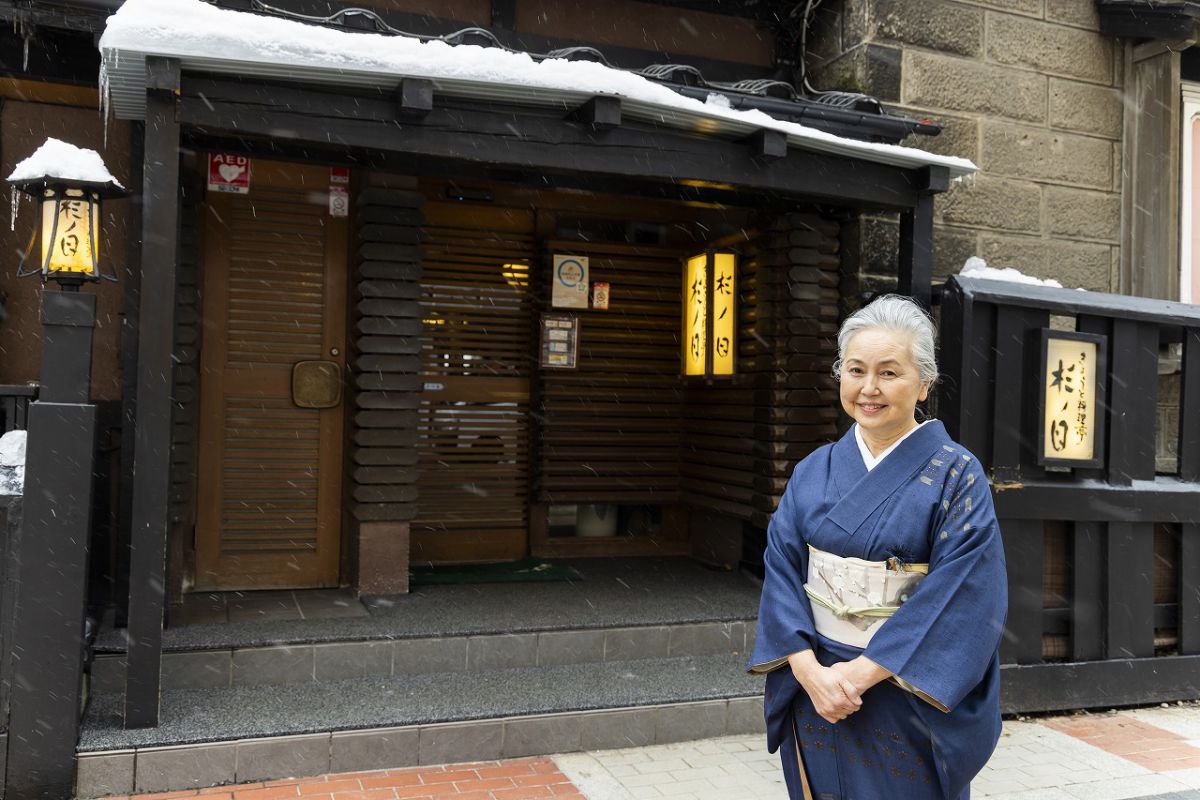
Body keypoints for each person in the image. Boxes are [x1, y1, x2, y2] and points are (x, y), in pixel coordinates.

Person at [747, 294, 1007, 800]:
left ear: (924, 384)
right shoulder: (814, 469)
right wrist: (810, 673)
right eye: (855, 370)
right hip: (817, 685)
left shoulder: (956, 475)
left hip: (900, 689)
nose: (869, 388)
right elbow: (781, 571)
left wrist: (861, 677)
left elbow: (963, 595)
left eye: (889, 373)